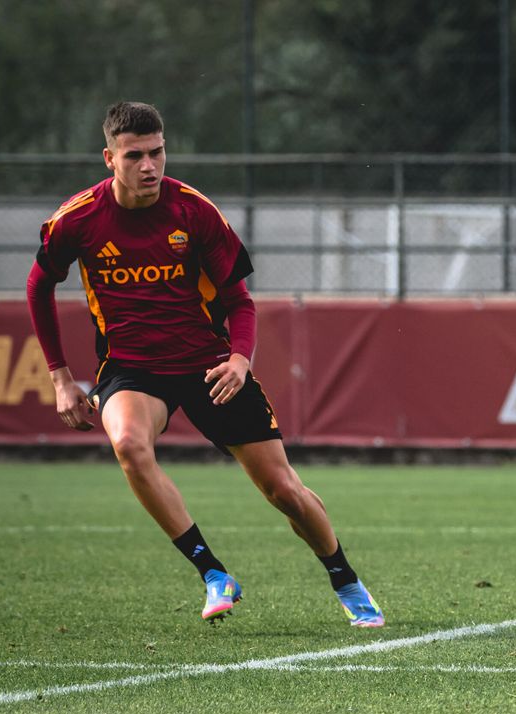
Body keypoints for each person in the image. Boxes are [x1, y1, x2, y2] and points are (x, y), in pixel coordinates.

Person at [26, 101, 384, 627]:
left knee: (283, 490)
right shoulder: (77, 219)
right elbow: (39, 287)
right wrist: (60, 378)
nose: (149, 166)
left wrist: (240, 360)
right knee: (127, 442)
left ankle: (345, 579)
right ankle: (214, 573)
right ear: (109, 158)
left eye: (157, 152)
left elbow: (240, 301)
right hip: (132, 369)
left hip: (211, 366)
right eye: (135, 156)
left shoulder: (194, 211)